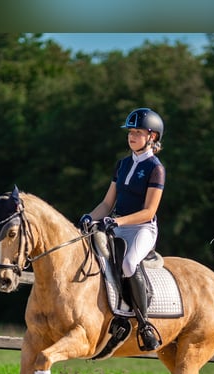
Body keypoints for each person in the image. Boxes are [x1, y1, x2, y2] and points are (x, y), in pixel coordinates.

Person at [79, 107, 166, 351]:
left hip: (142, 229)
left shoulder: (155, 168)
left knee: (128, 264)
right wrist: (89, 216)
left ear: (152, 137)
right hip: (115, 225)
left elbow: (149, 211)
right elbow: (107, 203)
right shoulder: (123, 164)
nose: (132, 136)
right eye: (130, 132)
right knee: (93, 258)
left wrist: (117, 222)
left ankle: (144, 323)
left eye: (138, 132)